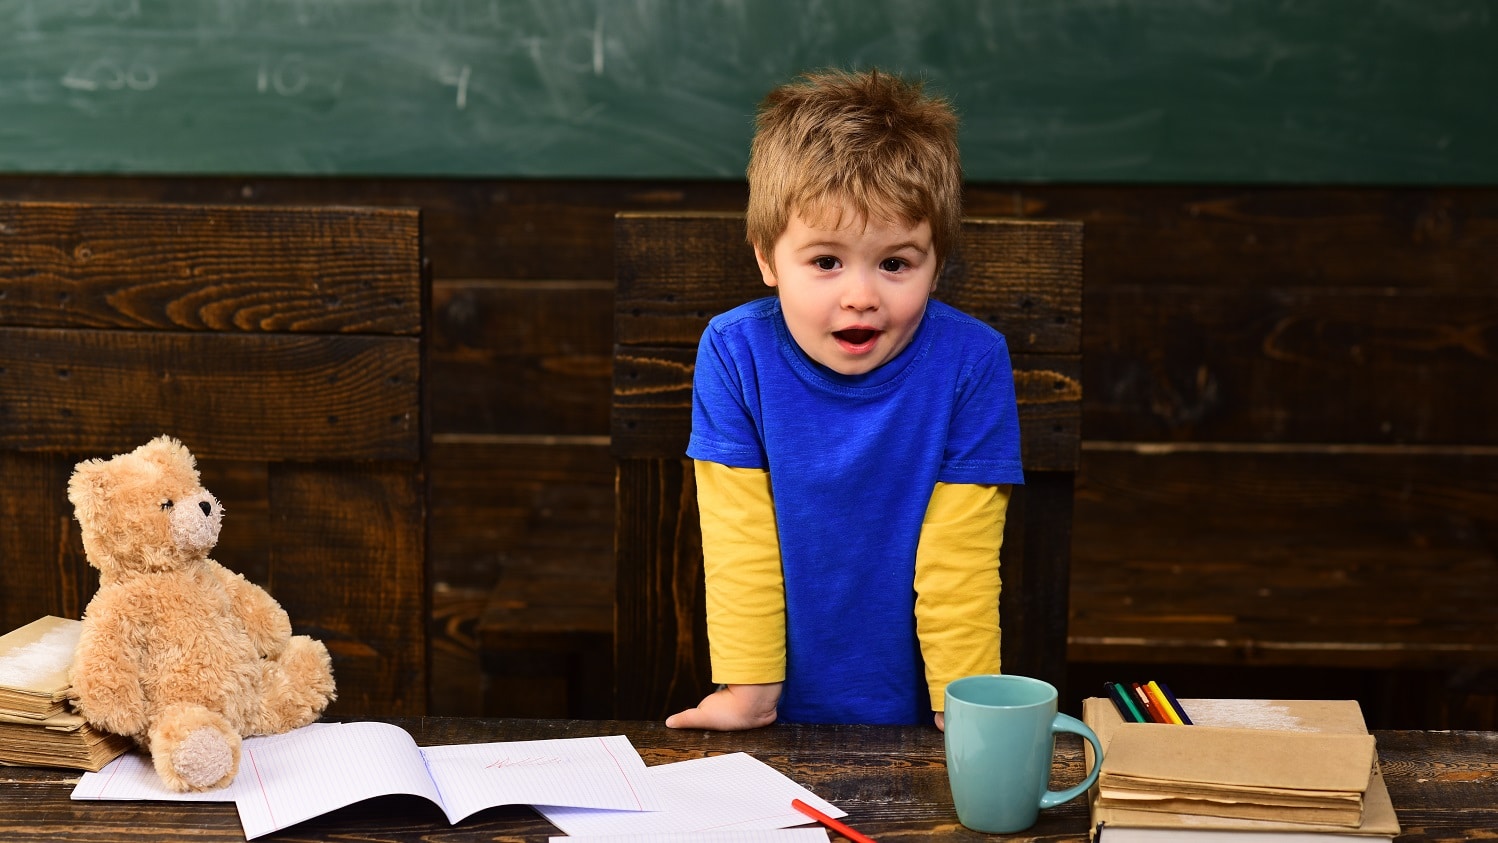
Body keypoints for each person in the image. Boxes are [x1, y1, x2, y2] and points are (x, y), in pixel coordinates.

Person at [665, 68, 1023, 731]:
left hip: (923, 718)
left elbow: (962, 556)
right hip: (774, 719)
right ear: (768, 259)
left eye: (895, 263)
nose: (860, 295)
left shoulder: (971, 362)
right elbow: (738, 534)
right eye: (826, 261)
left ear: (936, 264)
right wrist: (750, 692)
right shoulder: (734, 352)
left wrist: (962, 707)